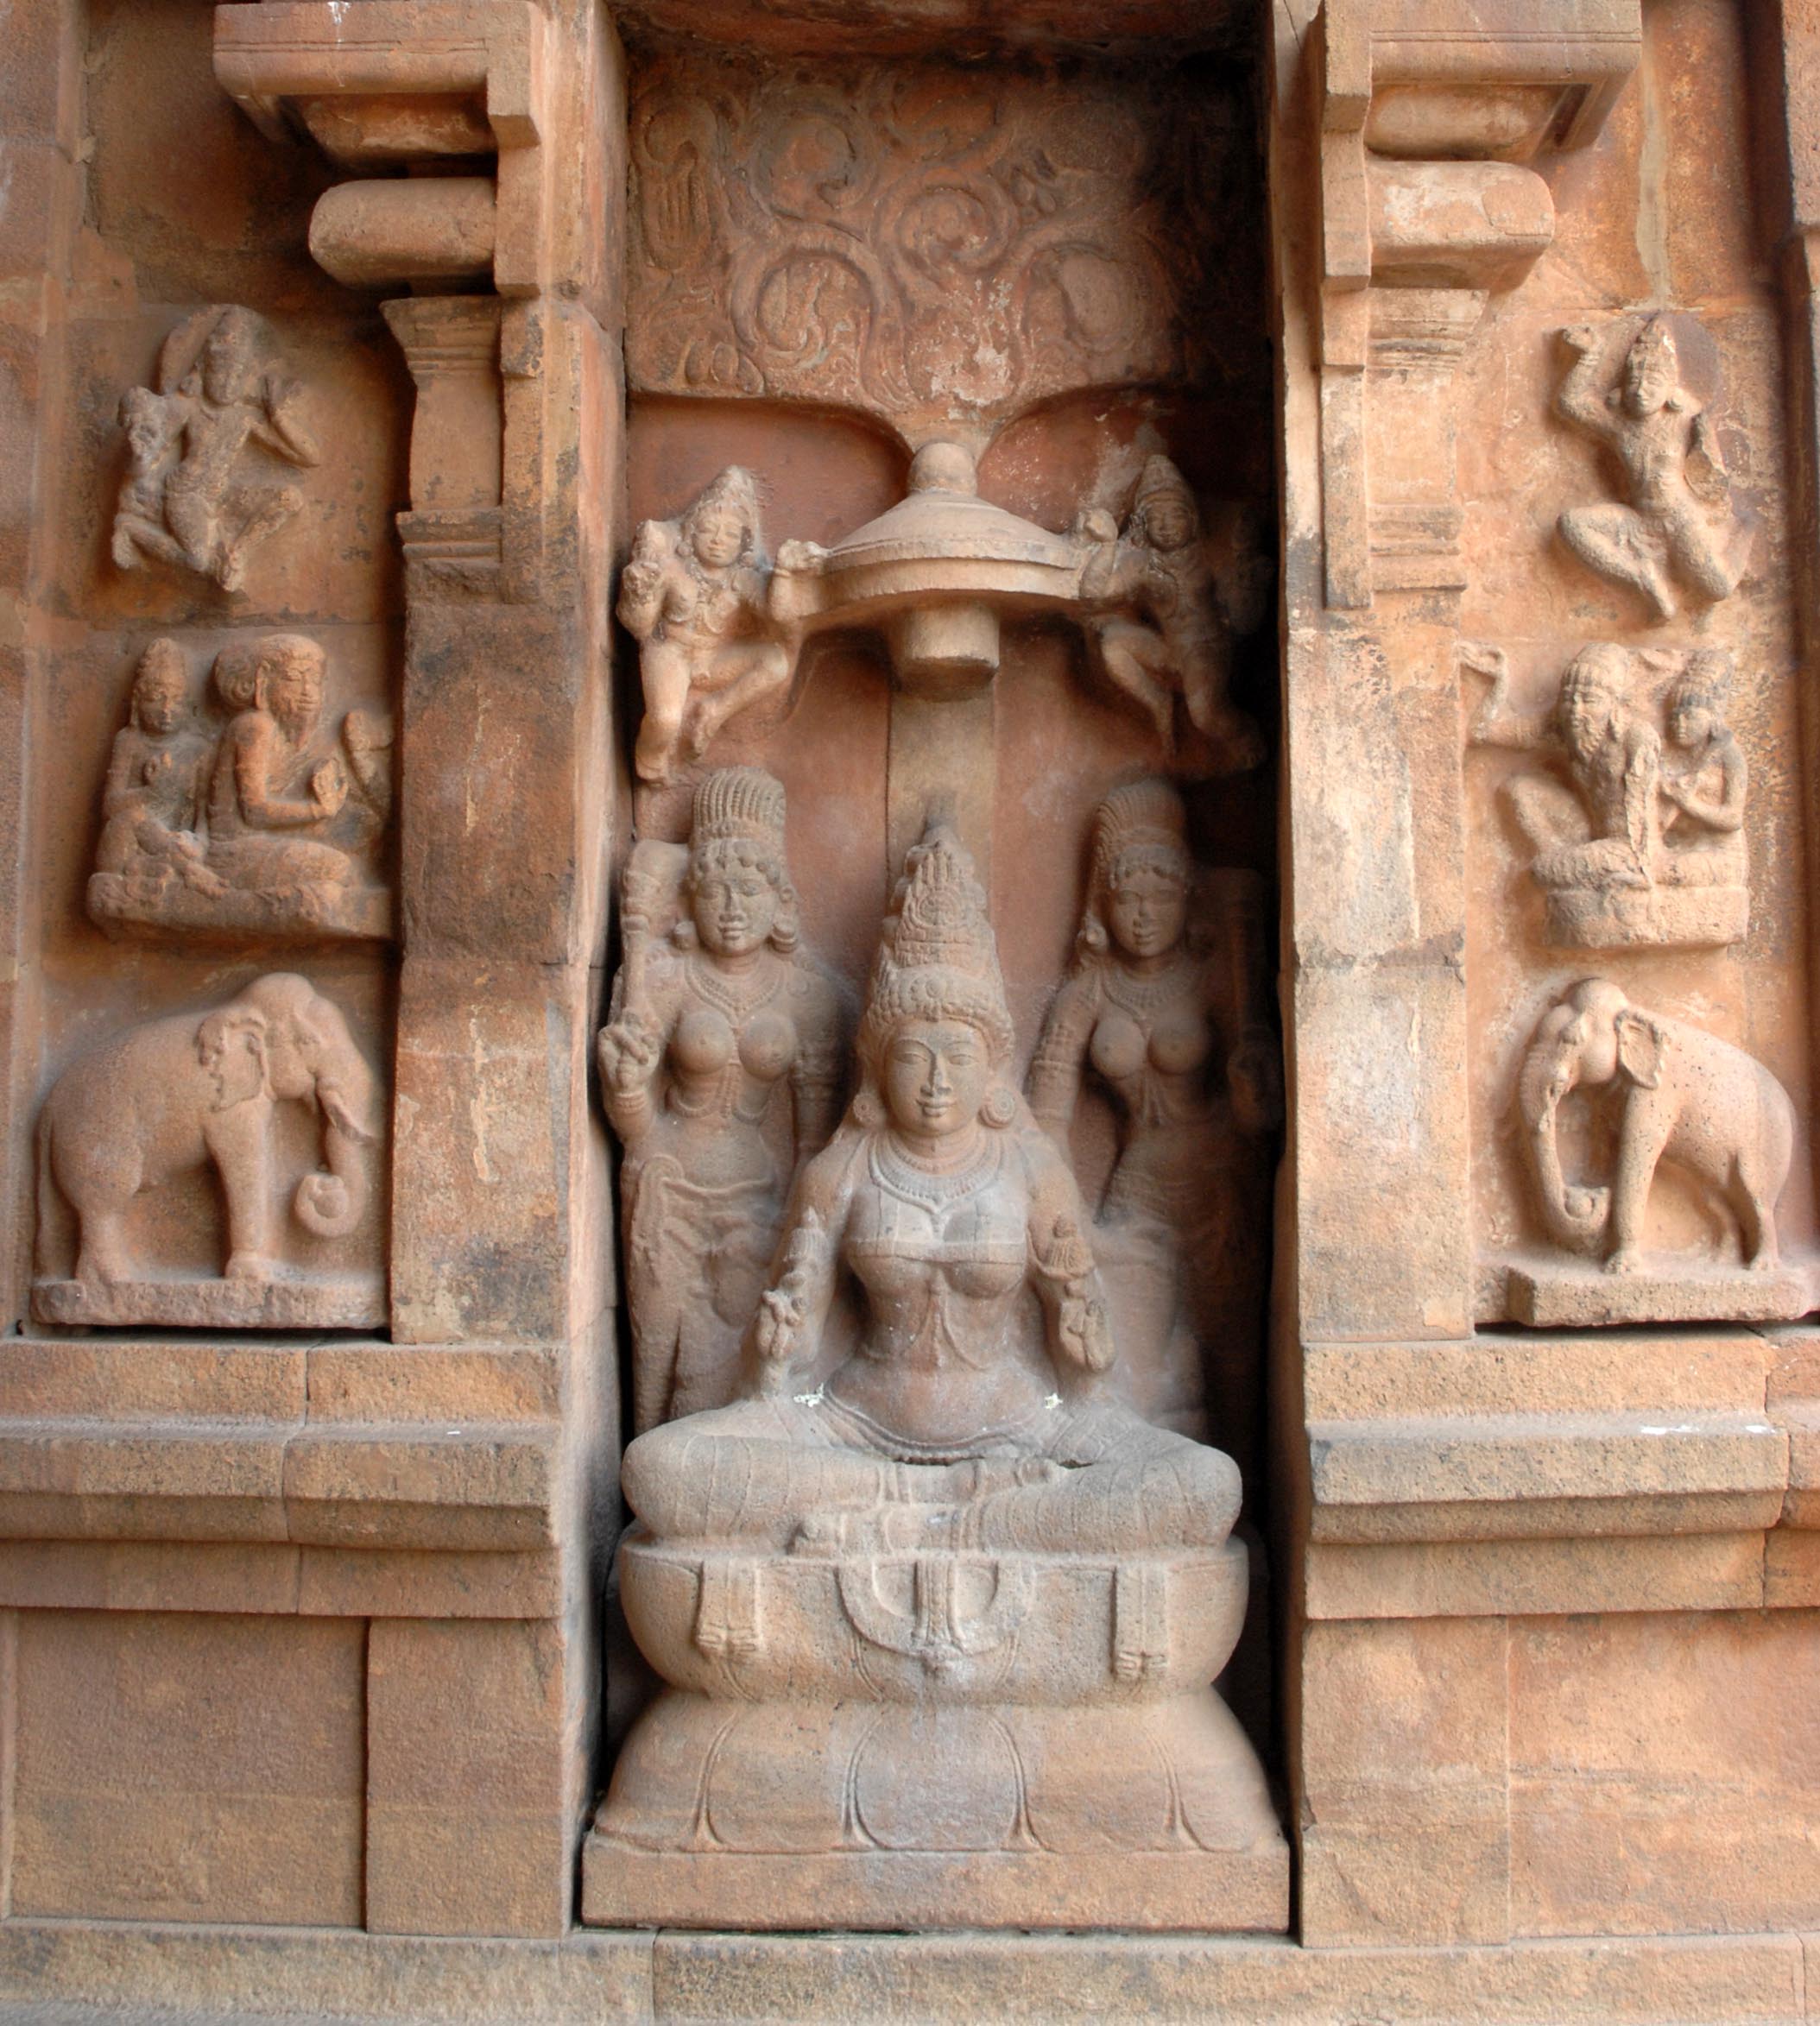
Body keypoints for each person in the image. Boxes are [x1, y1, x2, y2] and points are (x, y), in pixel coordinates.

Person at [618, 819, 1241, 1561]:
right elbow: (786, 1364)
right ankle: (963, 1511)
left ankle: (929, 1519)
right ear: (880, 1066)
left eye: (959, 1056)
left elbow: (1085, 1380)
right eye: (914, 1055)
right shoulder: (840, 1171)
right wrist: (775, 1359)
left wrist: (1089, 1358)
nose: (938, 1080)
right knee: (658, 1469)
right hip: (850, 1424)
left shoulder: (1032, 1171)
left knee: (1206, 1485)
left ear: (991, 1069)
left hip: (1023, 1424)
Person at [1028, 780, 1279, 1442]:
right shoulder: (1087, 993)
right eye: (1127, 898)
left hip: (1219, 1180)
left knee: (1230, 1347)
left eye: (1161, 897)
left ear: (1187, 897)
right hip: (1138, 1185)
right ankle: (1144, 1469)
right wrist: (1064, 1210)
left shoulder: (1214, 976)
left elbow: (1259, 1113)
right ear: (1102, 904)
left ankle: (1240, 1470)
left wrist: (1253, 1080)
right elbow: (1045, 1114)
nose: (1143, 915)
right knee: (1121, 1345)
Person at [597, 768, 843, 1431]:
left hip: (759, 1202)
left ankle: (711, 1471)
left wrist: (806, 1237)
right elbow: (634, 1127)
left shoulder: (807, 996)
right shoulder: (662, 978)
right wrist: (626, 1086)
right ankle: (645, 1465)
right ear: (692, 896)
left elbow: (814, 1144)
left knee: (732, 1366)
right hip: (664, 1184)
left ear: (779, 900)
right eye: (715, 890)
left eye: (750, 889)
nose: (732, 907)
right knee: (653, 1362)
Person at [1555, 317, 1752, 622]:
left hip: (1679, 520)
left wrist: (1706, 443)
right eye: (1634, 381)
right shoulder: (1620, 426)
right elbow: (1570, 403)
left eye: (1653, 382)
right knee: (1572, 525)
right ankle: (1642, 578)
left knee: (1719, 587)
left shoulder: (1684, 422)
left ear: (1671, 389)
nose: (1640, 390)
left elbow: (1711, 477)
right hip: (1638, 520)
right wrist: (1589, 356)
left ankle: (1747, 529)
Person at [1077, 454, 1261, 765]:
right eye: (1155, 517)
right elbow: (1094, 595)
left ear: (1192, 519)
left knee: (1206, 716)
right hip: (1169, 650)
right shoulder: (1144, 565)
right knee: (1113, 645)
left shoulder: (1207, 557)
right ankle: (1157, 701)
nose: (1165, 526)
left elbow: (1240, 608)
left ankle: (1246, 737)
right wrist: (1107, 545)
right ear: (1143, 524)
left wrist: (1246, 581)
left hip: (1205, 649)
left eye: (1175, 515)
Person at [618, 466, 791, 786]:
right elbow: (640, 627)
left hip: (714, 659)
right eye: (708, 530)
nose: (718, 541)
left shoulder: (744, 579)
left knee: (776, 661)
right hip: (671, 652)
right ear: (690, 533)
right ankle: (651, 759)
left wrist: (786, 576)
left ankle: (713, 712)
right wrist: (638, 592)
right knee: (665, 720)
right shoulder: (673, 571)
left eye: (730, 535)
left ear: (743, 543)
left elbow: (777, 617)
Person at [1466, 641, 1662, 893]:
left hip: (1628, 848)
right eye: (1570, 699)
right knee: (1519, 790)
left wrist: (1639, 867)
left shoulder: (1635, 737)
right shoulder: (1561, 726)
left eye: (1590, 700)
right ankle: (1557, 860)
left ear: (1614, 702)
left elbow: (1641, 824)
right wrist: (1498, 681)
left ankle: (1564, 867)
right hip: (1589, 833)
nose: (1576, 711)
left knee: (1546, 871)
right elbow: (1482, 732)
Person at [205, 634, 353, 900]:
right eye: (294, 678)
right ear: (263, 679)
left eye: (314, 680)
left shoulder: (278, 732)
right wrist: (317, 810)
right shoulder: (255, 726)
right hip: (231, 852)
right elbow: (255, 811)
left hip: (252, 845)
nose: (308, 691)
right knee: (337, 867)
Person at [93, 639, 223, 899]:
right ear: (138, 703)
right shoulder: (129, 741)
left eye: (176, 700)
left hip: (179, 844)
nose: (166, 710)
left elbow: (205, 811)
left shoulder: (199, 749)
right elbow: (110, 807)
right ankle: (183, 870)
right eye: (155, 699)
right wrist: (151, 791)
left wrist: (200, 842)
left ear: (189, 705)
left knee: (178, 847)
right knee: (131, 819)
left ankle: (168, 867)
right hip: (128, 845)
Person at [1658, 649, 1747, 887]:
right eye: (1674, 717)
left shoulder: (1729, 755)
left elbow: (1733, 818)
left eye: (1689, 716)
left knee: (1658, 872)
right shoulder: (1676, 757)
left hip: (1719, 854)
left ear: (1712, 716)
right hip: (1682, 846)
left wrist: (1688, 803)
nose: (1680, 724)